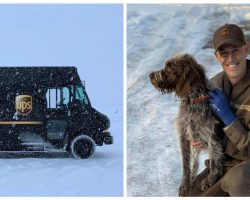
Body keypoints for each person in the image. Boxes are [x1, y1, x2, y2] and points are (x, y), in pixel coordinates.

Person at [189, 23, 250, 196]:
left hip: (244, 171)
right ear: (216, 56)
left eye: (236, 50)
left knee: (238, 180)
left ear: (246, 49)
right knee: (191, 192)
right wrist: (199, 136)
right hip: (226, 164)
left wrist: (229, 119)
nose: (230, 59)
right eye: (224, 53)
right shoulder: (213, 86)